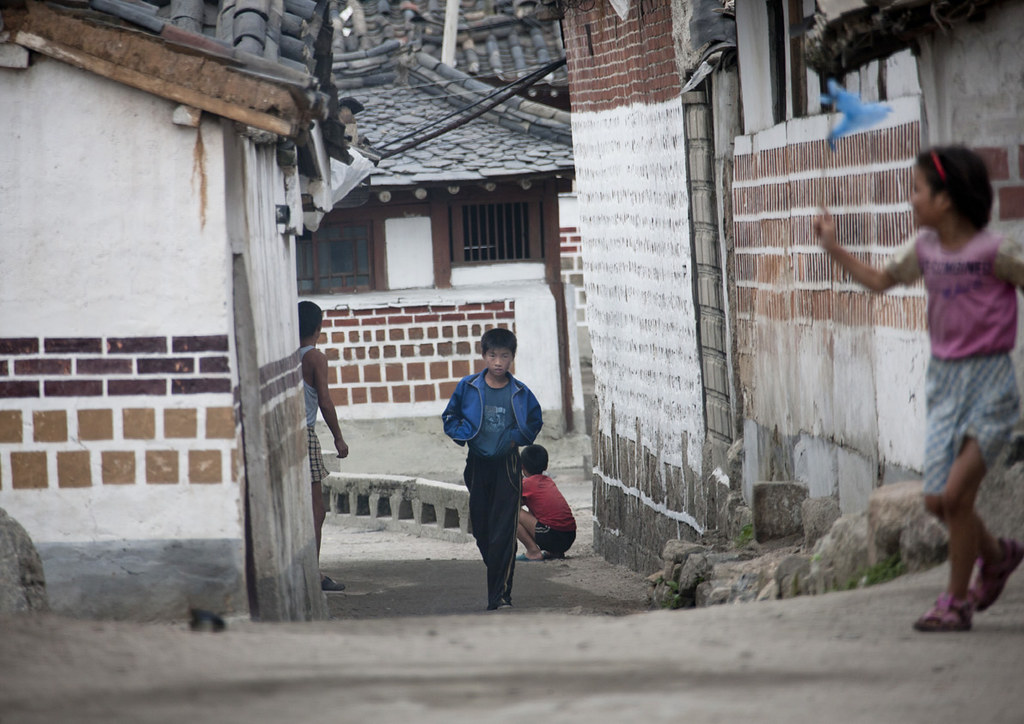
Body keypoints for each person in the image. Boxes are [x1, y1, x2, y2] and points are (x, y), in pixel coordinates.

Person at [813, 145, 1024, 632]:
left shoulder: (996, 252)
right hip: (943, 387)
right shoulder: (924, 251)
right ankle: (996, 558)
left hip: (989, 388)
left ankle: (955, 602)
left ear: (946, 199)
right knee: (936, 501)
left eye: (916, 190)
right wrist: (833, 247)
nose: (910, 200)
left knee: (955, 498)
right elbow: (879, 280)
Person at [442, 327, 543, 610]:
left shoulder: (520, 392)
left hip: (507, 466)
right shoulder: (469, 386)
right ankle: (499, 566)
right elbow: (450, 416)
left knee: (504, 529)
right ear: (484, 355)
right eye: (493, 355)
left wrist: (515, 439)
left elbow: (534, 422)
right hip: (477, 464)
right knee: (482, 529)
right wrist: (467, 434)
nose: (498, 362)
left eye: (505, 356)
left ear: (512, 358)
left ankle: (500, 595)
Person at [299, 301, 350, 593]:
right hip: (305, 435)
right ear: (319, 327)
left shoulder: (288, 356)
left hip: (288, 434)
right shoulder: (315, 357)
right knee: (316, 510)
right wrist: (338, 437)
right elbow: (325, 401)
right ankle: (312, 573)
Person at [516, 444, 577, 562]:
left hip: (553, 536)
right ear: (546, 466)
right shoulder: (548, 481)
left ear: (522, 466)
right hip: (569, 536)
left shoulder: (528, 484)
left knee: (509, 511)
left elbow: (508, 500)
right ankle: (554, 552)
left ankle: (533, 552)